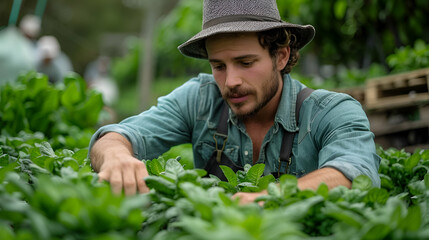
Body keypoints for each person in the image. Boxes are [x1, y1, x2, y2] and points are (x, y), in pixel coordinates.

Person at [89, 0, 381, 203]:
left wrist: (270, 198)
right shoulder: (199, 99)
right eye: (219, 66)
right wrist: (116, 156)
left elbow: (355, 173)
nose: (230, 82)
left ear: (280, 56)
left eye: (245, 62)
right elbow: (119, 135)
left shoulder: (332, 112)